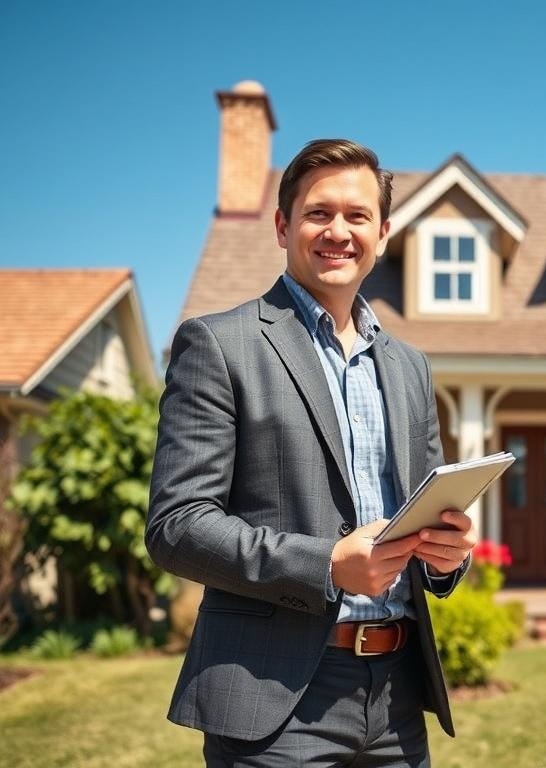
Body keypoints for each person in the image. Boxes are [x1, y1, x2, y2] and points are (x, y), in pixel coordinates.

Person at [146, 138, 476, 767]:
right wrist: (325, 563)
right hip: (275, 699)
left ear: (383, 234)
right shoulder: (219, 345)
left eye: (358, 217)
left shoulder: (409, 366)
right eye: (318, 213)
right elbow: (177, 527)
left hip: (399, 696)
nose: (338, 232)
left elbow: (421, 513)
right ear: (282, 226)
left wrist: (445, 555)